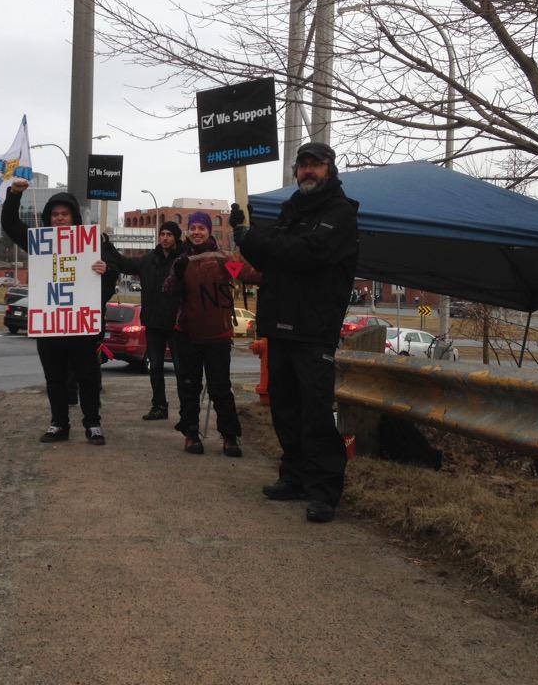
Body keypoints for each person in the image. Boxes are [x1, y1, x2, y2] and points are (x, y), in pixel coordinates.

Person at [232, 141, 359, 523]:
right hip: (280, 325)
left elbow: (307, 253)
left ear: (330, 169)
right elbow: (263, 255)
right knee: (285, 407)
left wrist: (258, 239)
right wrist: (244, 233)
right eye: (303, 165)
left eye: (315, 165)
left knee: (316, 413)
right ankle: (295, 476)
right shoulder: (289, 212)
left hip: (314, 330)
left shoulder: (341, 213)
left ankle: (323, 491)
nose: (308, 171)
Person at [2, 177, 116, 446]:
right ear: (48, 217)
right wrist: (14, 195)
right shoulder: (38, 242)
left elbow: (116, 268)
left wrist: (106, 269)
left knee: (88, 377)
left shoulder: (92, 243)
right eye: (54, 214)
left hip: (81, 326)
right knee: (54, 379)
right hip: (51, 325)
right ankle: (58, 423)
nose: (59, 218)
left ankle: (93, 424)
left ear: (74, 216)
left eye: (65, 214)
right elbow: (10, 225)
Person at [163, 211, 260, 457]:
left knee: (221, 388)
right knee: (189, 387)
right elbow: (168, 290)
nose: (196, 232)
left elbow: (251, 275)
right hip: (187, 334)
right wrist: (177, 273)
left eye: (201, 228)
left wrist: (248, 245)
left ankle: (229, 436)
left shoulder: (224, 259)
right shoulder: (181, 260)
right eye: (193, 227)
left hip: (218, 335)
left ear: (209, 231)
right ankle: (191, 433)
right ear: (188, 231)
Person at [104, 221, 185, 421]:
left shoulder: (184, 260)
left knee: (182, 370)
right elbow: (125, 263)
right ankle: (159, 406)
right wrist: (109, 247)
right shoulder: (148, 261)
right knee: (155, 368)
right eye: (162, 234)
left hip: (177, 325)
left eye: (169, 234)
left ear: (176, 238)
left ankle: (187, 410)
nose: (165, 237)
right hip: (153, 323)